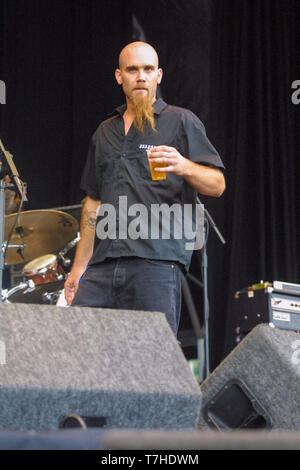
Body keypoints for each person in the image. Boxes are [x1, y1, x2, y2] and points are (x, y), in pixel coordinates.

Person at [64, 41, 225, 335]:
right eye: (132, 69)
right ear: (119, 76)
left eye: (148, 69)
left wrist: (184, 165)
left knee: (151, 361)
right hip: (103, 264)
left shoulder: (181, 121)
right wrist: (79, 267)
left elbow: (218, 185)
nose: (141, 76)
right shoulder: (104, 131)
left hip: (156, 263)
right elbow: (93, 203)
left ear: (159, 75)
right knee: (79, 349)